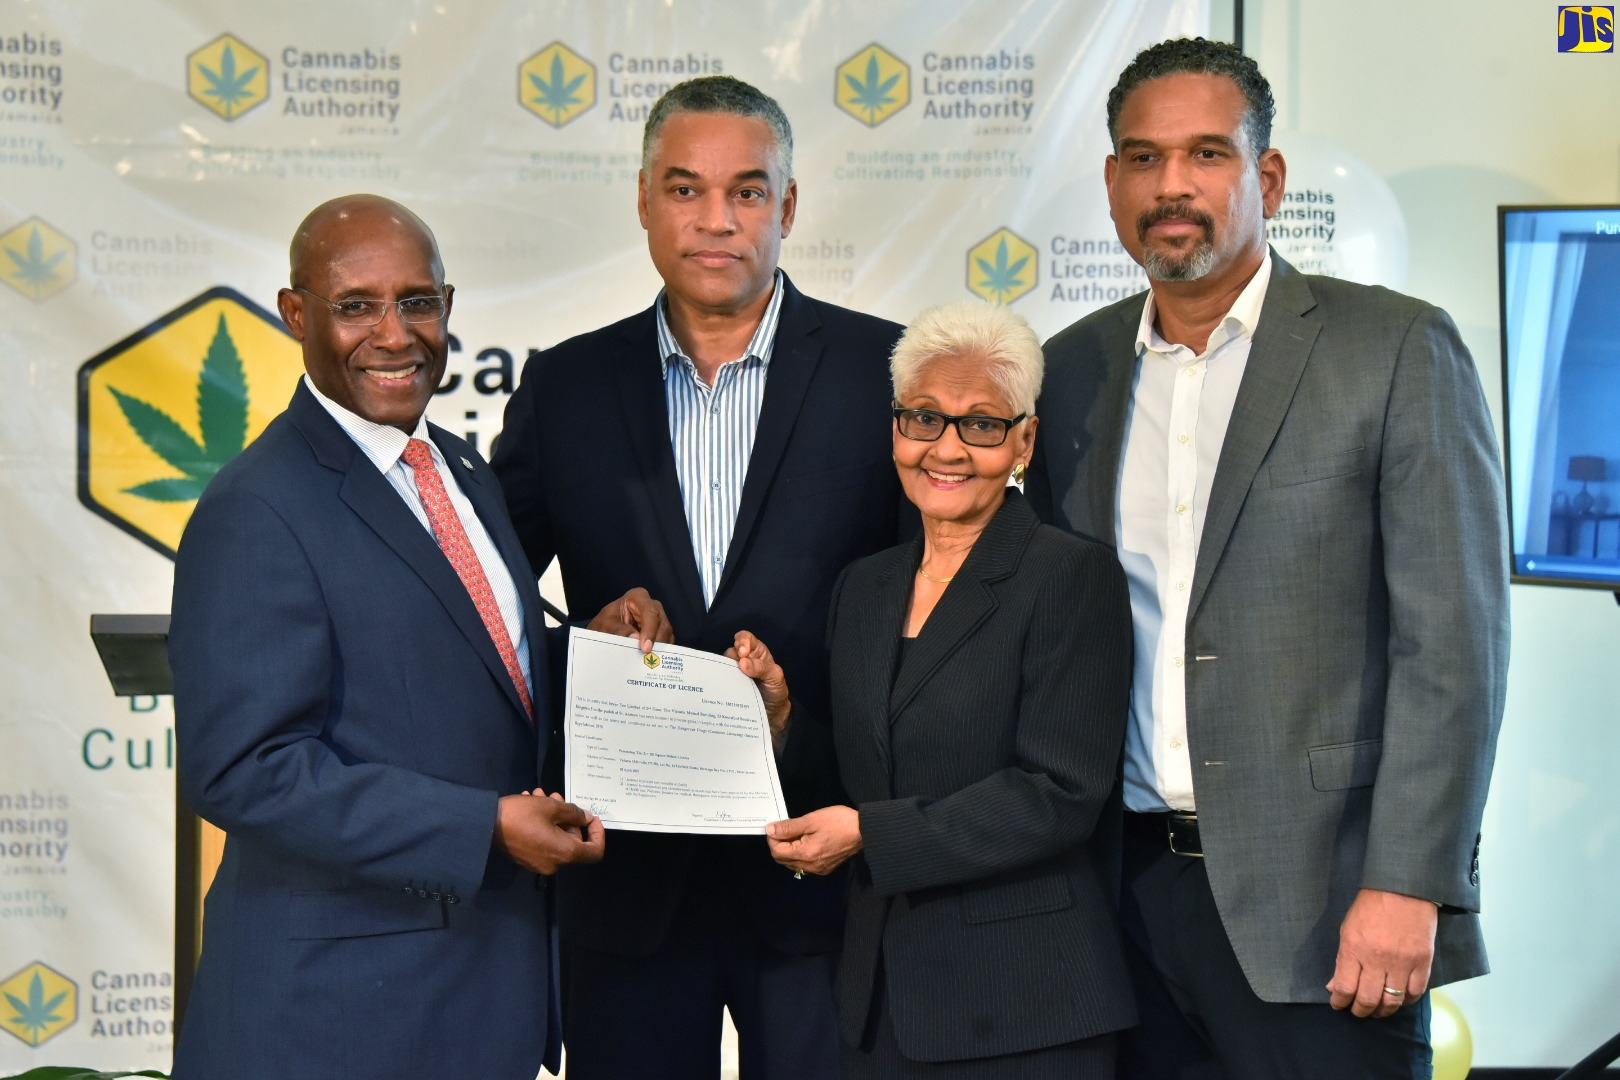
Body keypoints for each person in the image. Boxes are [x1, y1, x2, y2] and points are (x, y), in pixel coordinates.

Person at [1026, 38, 1510, 1079]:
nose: (1174, 187)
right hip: (1120, 901)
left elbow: (1454, 650)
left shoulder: (1392, 349)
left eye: (1208, 154)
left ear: (1268, 178)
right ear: (1113, 184)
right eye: (1144, 159)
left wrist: (1409, 883)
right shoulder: (1069, 370)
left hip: (1330, 909)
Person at [491, 76, 907, 1079]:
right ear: (644, 201)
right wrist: (587, 639)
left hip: (816, 866)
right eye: (686, 190)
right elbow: (488, 609)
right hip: (626, 872)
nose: (716, 220)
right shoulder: (567, 385)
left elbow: (932, 614)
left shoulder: (884, 373)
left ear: (790, 207)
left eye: (748, 191)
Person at [168, 195, 606, 1080]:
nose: (395, 333)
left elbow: (479, 668)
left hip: (477, 993)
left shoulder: (462, 467)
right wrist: (480, 826)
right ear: (296, 315)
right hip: (333, 1015)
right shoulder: (258, 508)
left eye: (417, 301)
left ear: (449, 305)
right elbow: (243, 769)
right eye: (355, 305)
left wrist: (598, 648)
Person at [742, 302, 1136, 1078]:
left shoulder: (1070, 576)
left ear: (1023, 439)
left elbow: (1058, 793)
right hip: (880, 1000)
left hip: (1025, 1009)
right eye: (923, 418)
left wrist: (870, 837)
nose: (946, 449)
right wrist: (783, 718)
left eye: (980, 424)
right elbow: (863, 779)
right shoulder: (865, 586)